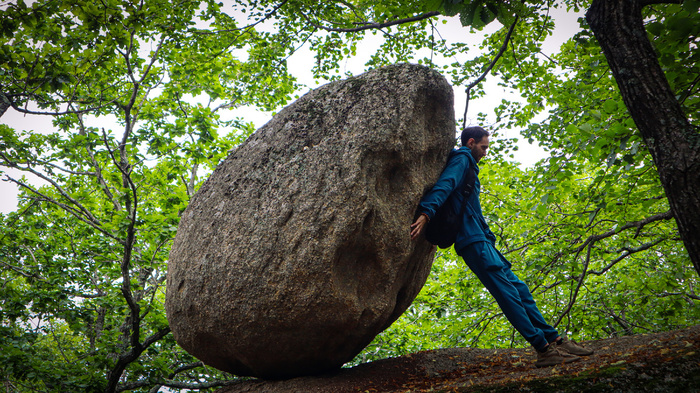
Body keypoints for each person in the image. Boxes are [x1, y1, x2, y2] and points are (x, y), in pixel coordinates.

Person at [410, 126, 594, 368]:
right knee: (508, 295)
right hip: (473, 243)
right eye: (484, 147)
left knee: (520, 290)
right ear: (471, 142)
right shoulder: (463, 158)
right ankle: (543, 349)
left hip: (484, 241)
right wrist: (426, 213)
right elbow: (445, 185)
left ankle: (556, 339)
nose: (486, 152)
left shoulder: (470, 166)